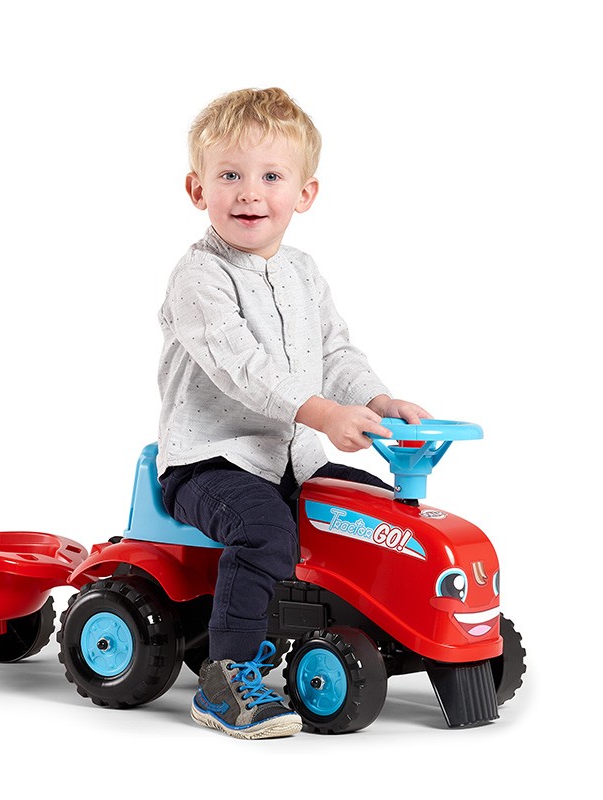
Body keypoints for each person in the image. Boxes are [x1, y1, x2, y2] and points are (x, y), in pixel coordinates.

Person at [156, 88, 430, 739]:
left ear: (304, 194)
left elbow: (335, 350)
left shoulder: (304, 274)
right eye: (230, 175)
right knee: (264, 531)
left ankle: (378, 633)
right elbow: (242, 368)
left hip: (293, 459)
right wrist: (321, 411)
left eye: (271, 176)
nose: (250, 193)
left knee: (381, 516)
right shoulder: (200, 279)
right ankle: (228, 678)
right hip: (213, 460)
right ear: (198, 189)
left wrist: (374, 399)